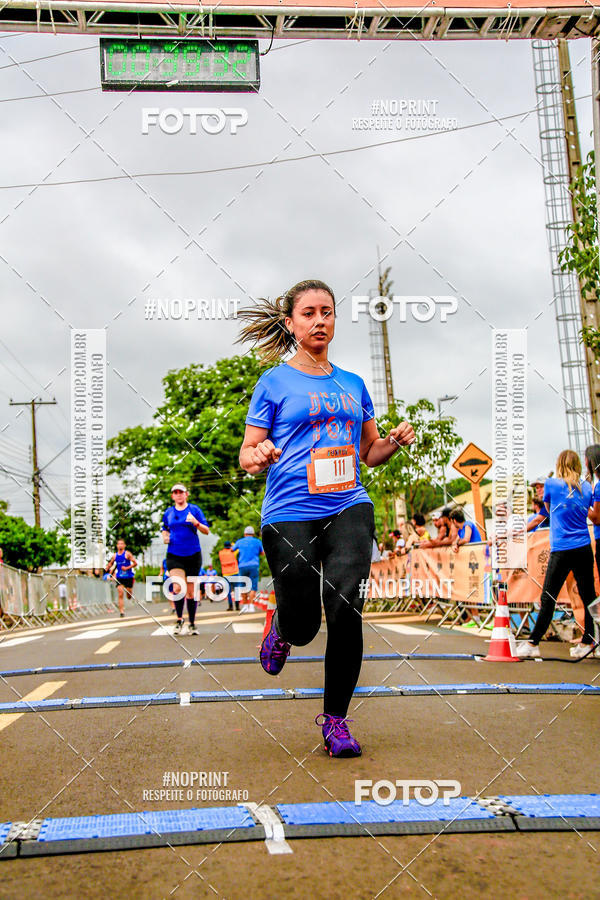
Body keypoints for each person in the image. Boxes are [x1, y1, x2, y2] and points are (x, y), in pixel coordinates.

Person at [237, 278, 415, 758]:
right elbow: (246, 453)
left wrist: (394, 442)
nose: (320, 320)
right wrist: (261, 454)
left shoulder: (353, 384)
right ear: (292, 323)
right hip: (290, 508)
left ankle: (336, 719)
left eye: (328, 312)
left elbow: (370, 453)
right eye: (310, 313)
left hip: (347, 504)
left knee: (345, 608)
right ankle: (282, 628)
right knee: (304, 626)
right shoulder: (273, 382)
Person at [517, 450, 597, 659]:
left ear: (559, 464)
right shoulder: (587, 487)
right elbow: (587, 512)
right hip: (583, 547)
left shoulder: (552, 484)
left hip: (562, 548)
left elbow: (547, 508)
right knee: (589, 596)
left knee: (549, 596)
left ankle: (533, 642)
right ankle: (589, 641)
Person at [161, 483, 210, 636]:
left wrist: (196, 522)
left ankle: (192, 623)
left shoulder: (194, 510)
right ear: (172, 496)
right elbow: (164, 527)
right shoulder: (168, 512)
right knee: (177, 588)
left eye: (181, 492)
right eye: (175, 492)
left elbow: (206, 530)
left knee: (190, 592)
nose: (178, 495)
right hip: (174, 554)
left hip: (193, 554)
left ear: (186, 494)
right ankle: (179, 619)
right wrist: (164, 535)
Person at [233, 526, 264, 612]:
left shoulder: (240, 541)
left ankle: (245, 606)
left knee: (243, 586)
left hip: (242, 566)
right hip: (254, 565)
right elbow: (262, 553)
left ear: (245, 534)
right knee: (253, 586)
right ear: (253, 534)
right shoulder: (257, 542)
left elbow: (232, 550)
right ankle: (251, 606)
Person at [105, 538, 137, 617]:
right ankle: (122, 612)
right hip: (120, 577)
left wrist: (127, 568)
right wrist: (108, 567)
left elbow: (135, 563)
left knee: (129, 595)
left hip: (128, 576)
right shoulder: (115, 555)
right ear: (117, 545)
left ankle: (129, 594)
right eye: (119, 544)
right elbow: (111, 563)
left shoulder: (127, 554)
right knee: (120, 593)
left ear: (124, 545)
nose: (120, 545)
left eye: (122, 544)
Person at [219, 541, 240, 611]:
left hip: (225, 574)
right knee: (236, 590)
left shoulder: (220, 553)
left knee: (228, 591)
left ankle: (230, 606)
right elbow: (237, 548)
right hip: (234, 573)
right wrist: (232, 544)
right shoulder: (233, 552)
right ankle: (237, 606)